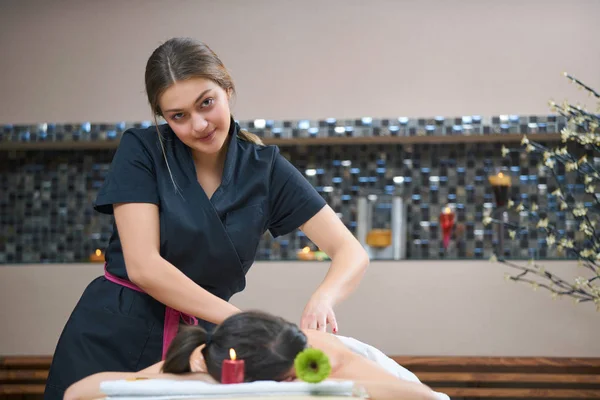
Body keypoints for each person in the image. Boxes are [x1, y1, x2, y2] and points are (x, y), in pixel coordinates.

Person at [44, 37, 369, 400]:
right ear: (162, 117)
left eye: (207, 103)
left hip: (201, 346)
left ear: (227, 89)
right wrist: (243, 324)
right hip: (112, 334)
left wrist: (324, 297)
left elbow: (350, 252)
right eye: (178, 116)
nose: (198, 125)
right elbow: (144, 268)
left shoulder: (266, 169)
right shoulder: (143, 150)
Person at [64, 311, 447, 400]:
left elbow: (429, 398)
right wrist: (186, 378)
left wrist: (334, 386)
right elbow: (78, 393)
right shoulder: (206, 358)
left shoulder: (329, 360)